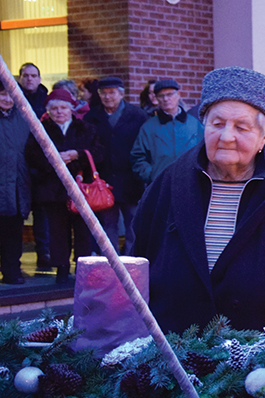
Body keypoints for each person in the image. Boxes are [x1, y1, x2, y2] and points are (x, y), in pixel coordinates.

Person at [133, 66, 265, 333]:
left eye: (241, 127)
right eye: (217, 124)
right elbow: (138, 265)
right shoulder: (169, 183)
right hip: (175, 352)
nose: (227, 137)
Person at [25, 89, 103, 284]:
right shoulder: (40, 130)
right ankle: (61, 269)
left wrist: (77, 155)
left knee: (83, 233)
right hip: (52, 189)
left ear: (71, 109)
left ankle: (83, 271)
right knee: (57, 232)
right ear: (48, 111)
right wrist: (54, 161)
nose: (59, 112)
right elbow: (32, 156)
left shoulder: (86, 128)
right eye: (55, 108)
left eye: (63, 108)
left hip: (81, 189)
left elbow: (98, 154)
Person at [83, 76, 147, 254]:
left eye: (112, 93)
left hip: (131, 179)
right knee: (107, 225)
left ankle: (131, 260)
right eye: (103, 93)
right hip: (103, 180)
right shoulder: (92, 117)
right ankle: (111, 262)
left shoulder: (137, 115)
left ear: (121, 94)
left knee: (133, 224)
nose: (107, 97)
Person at [130, 78, 203, 185]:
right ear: (156, 99)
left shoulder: (194, 124)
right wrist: (151, 175)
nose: (165, 99)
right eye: (161, 95)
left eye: (169, 94)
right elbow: (137, 157)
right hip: (160, 186)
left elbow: (205, 152)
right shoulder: (148, 127)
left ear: (178, 94)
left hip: (191, 183)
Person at [18, 62, 51, 269]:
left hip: (40, 165)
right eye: (25, 75)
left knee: (42, 214)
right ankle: (12, 258)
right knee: (16, 213)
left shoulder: (47, 102)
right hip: (18, 163)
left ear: (39, 78)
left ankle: (44, 254)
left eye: (33, 75)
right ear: (19, 78)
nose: (29, 78)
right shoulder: (10, 99)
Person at [0, 80, 31, 285]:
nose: (7, 99)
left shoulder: (25, 118)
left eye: (11, 95)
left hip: (18, 184)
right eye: (3, 94)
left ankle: (12, 271)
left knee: (13, 232)